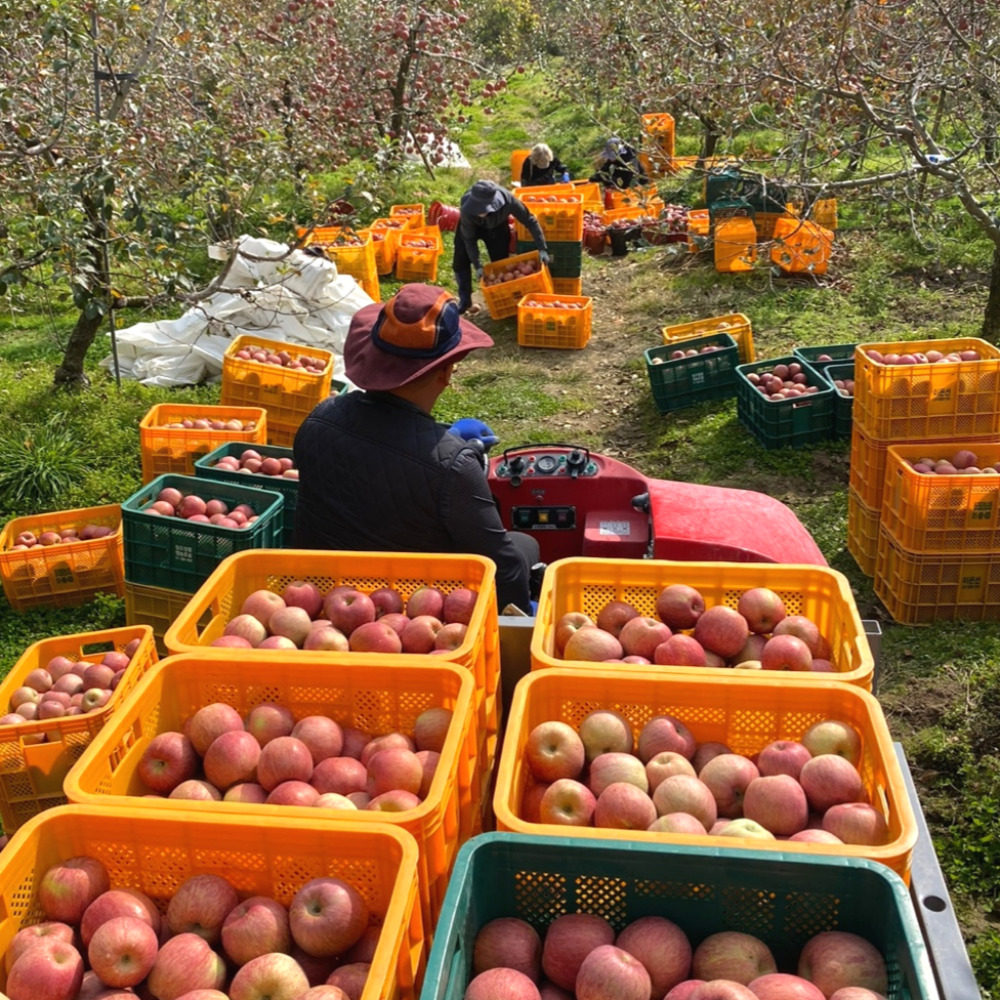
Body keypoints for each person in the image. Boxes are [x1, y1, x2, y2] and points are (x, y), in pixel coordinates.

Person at [292, 283, 541, 613]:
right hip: (416, 610)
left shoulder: (318, 420)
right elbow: (502, 568)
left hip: (318, 596)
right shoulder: (454, 468)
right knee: (526, 545)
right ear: (446, 372)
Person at [453, 179, 551, 315]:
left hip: (497, 228)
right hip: (471, 228)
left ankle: (503, 299)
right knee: (460, 260)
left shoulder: (508, 200)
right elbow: (469, 239)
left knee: (500, 262)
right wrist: (478, 265)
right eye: (477, 208)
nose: (480, 212)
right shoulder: (467, 209)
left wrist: (542, 248)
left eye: (483, 209)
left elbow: (530, 220)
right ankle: (465, 302)